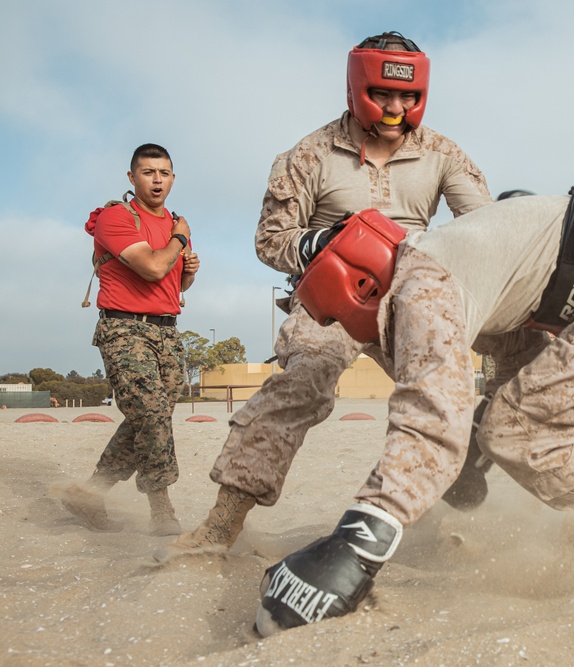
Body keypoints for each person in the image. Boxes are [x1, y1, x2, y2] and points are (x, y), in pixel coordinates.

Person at [254, 184, 574, 636]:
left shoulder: (423, 281)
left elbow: (430, 414)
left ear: (363, 290)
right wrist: (471, 444)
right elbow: (522, 367)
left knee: (515, 434)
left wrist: (356, 546)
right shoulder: (459, 259)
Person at [154, 32, 495, 562]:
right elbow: (270, 241)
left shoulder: (443, 153)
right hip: (330, 300)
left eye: (407, 97)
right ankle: (220, 527)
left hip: (410, 294)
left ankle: (440, 511)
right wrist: (321, 240)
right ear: (358, 86)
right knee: (302, 383)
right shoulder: (308, 155)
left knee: (445, 397)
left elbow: (483, 229)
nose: (396, 108)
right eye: (384, 94)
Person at [55, 143, 199, 535]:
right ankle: (162, 510)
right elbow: (153, 268)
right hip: (124, 328)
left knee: (147, 419)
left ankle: (91, 492)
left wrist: (189, 269)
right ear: (132, 177)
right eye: (149, 172)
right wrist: (180, 242)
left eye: (164, 172)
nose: (157, 179)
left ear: (173, 178)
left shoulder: (173, 222)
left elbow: (174, 280)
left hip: (167, 331)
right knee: (150, 413)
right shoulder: (116, 218)